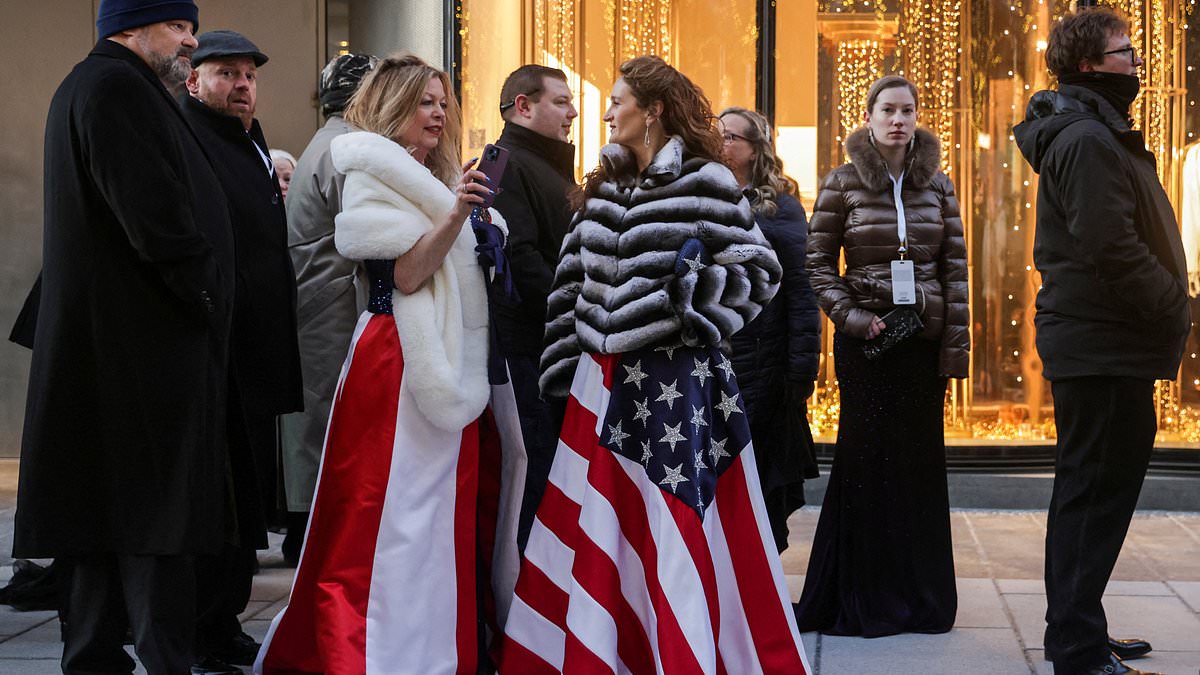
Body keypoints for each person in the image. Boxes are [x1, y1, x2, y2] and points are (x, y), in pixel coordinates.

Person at [500, 56, 810, 672]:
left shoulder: (706, 180)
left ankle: (673, 650)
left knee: (665, 531)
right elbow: (567, 285)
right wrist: (563, 369)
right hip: (597, 387)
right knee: (598, 532)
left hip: (673, 385)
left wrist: (686, 307)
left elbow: (760, 272)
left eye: (618, 100)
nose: (606, 111)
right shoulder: (601, 187)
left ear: (654, 110)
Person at [257, 53, 509, 674]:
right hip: (395, 361)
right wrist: (458, 215)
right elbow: (403, 274)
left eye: (443, 102)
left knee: (434, 514)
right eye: (425, 101)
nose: (439, 113)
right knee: (384, 510)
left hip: (442, 358)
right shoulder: (370, 170)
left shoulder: (436, 172)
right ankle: (371, 651)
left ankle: (431, 648)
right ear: (394, 105)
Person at [14, 0, 236, 672]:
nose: (191, 38)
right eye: (178, 25)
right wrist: (202, 290)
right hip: (137, 352)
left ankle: (95, 658)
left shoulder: (98, 83)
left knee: (97, 521)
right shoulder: (116, 87)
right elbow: (150, 212)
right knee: (154, 522)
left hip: (112, 350)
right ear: (131, 27)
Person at [1013, 7, 1188, 675]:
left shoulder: (1094, 129)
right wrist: (1173, 300)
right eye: (1126, 52)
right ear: (1090, 64)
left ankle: (1082, 627)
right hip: (1101, 344)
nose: (1137, 62)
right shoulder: (1087, 137)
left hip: (1105, 345)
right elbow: (1109, 246)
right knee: (1092, 498)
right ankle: (1078, 651)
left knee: (1092, 497)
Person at [795, 75, 968, 637]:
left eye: (908, 110)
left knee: (917, 467)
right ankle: (861, 594)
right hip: (867, 342)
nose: (899, 120)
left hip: (919, 343)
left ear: (918, 118)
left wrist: (953, 350)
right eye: (888, 110)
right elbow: (817, 264)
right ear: (868, 117)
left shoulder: (939, 186)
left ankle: (919, 600)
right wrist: (852, 317)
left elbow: (956, 273)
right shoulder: (842, 183)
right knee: (867, 465)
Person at [181, 29, 304, 672]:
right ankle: (203, 628)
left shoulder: (250, 138)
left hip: (255, 345)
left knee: (247, 498)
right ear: (193, 79)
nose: (242, 85)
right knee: (217, 500)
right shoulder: (187, 136)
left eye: (249, 75)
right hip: (217, 351)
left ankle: (224, 622)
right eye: (225, 73)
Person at [278, 53, 378, 566]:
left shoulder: (328, 141)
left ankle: (304, 529)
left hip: (317, 296)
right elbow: (368, 234)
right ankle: (309, 534)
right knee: (324, 420)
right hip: (331, 301)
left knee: (313, 420)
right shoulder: (348, 148)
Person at [718, 106, 821, 552]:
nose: (720, 144)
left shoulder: (779, 207)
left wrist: (801, 369)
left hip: (764, 359)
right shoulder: (705, 195)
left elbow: (802, 290)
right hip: (717, 356)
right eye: (716, 135)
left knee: (760, 480)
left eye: (730, 138)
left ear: (754, 149)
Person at [489, 64, 578, 554]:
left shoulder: (544, 164)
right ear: (523, 106)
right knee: (538, 476)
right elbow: (519, 259)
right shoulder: (504, 161)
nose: (574, 111)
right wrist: (573, 316)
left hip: (555, 348)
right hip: (531, 352)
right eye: (561, 102)